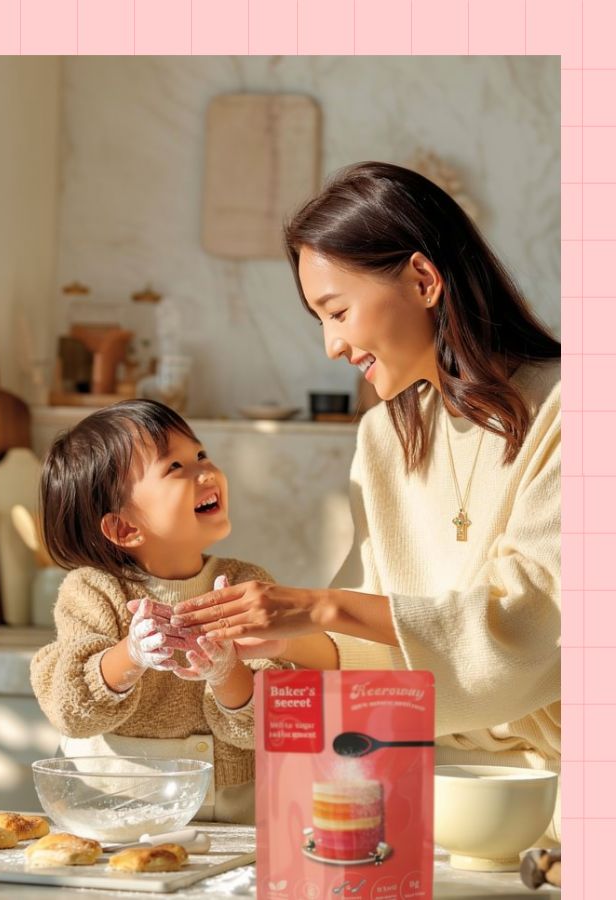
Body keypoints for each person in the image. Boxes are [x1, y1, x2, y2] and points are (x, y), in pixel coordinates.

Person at [169, 161, 562, 841]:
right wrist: (270, 638)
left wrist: (315, 606)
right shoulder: (385, 437)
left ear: (422, 280)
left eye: (338, 311)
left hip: (556, 803)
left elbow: (535, 627)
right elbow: (373, 647)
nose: (332, 345)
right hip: (423, 792)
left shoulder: (566, 408)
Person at [29, 399, 312, 824]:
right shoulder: (93, 590)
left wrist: (225, 671)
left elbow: (274, 717)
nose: (206, 471)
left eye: (200, 455)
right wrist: (133, 653)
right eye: (174, 468)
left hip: (234, 814)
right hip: (112, 807)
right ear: (124, 527)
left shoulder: (244, 584)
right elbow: (70, 706)